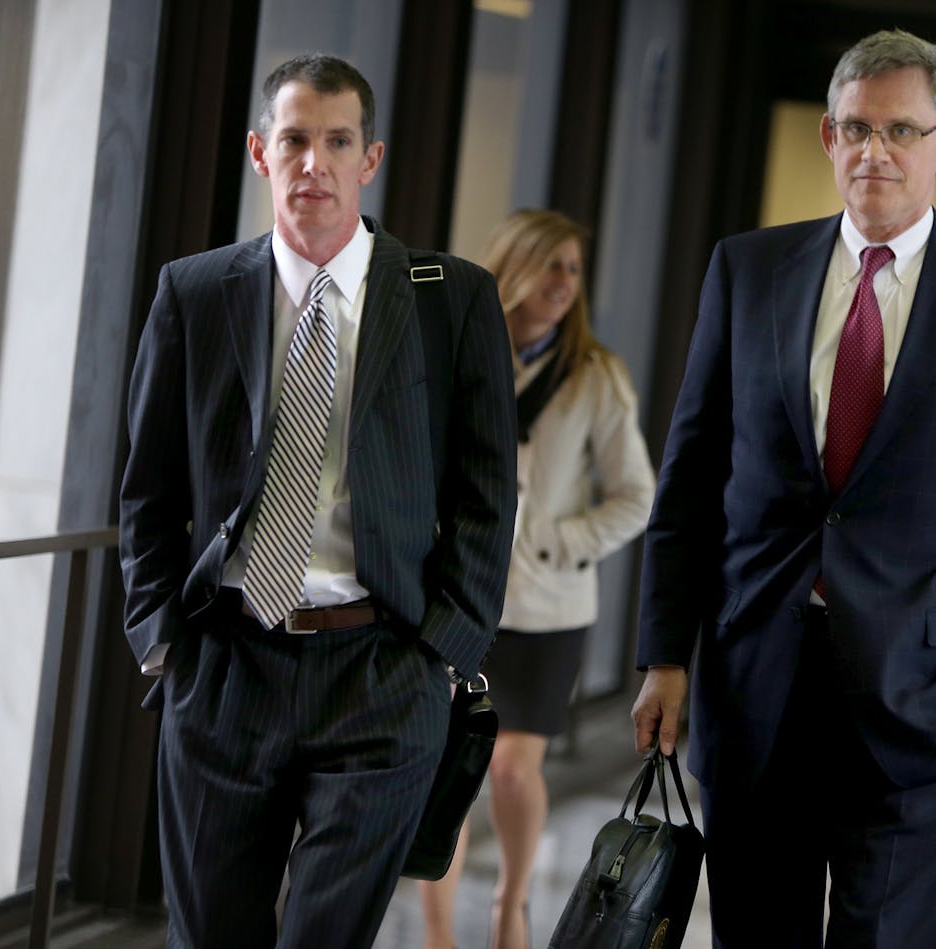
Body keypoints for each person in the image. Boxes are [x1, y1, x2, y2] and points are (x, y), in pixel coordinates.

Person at [631, 27, 936, 948]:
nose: (875, 151)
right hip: (755, 684)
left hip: (927, 697)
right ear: (828, 139)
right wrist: (666, 652)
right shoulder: (747, 270)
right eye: (855, 128)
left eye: (901, 131)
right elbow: (691, 476)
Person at [118, 54, 516, 948]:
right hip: (224, 665)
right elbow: (148, 489)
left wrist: (441, 656)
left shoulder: (450, 300)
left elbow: (489, 496)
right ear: (261, 152)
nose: (315, 164)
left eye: (338, 142)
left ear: (370, 160)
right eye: (295, 140)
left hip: (382, 670)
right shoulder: (194, 292)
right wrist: (160, 646)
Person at [417, 209, 656, 949]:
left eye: (573, 270)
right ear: (511, 265)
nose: (562, 284)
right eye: (549, 265)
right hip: (455, 597)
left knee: (515, 772)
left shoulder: (594, 375)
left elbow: (635, 497)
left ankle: (509, 908)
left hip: (547, 610)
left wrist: (556, 541)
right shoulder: (458, 352)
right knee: (443, 771)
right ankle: (434, 932)